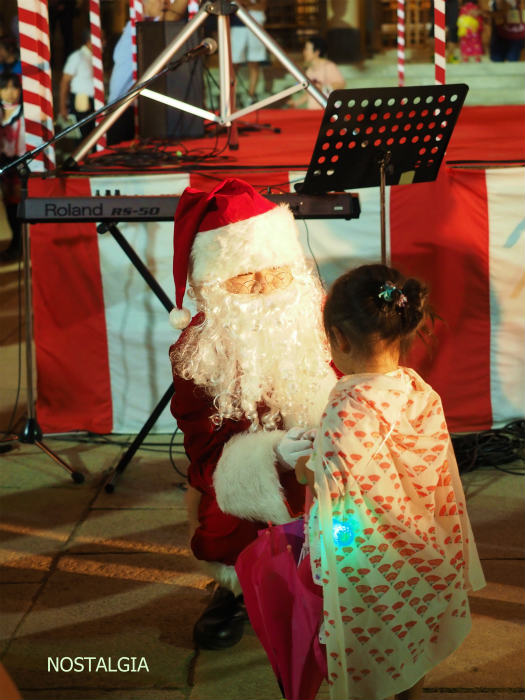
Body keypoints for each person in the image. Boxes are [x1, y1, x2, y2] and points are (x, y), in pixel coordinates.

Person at [288, 264, 486, 700]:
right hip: (423, 545)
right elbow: (435, 472)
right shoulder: (421, 392)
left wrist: (301, 463)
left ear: (339, 339)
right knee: (413, 631)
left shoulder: (347, 404)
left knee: (369, 641)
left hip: (367, 561)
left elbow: (329, 482)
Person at [168, 177, 336, 649]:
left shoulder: (321, 317)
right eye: (244, 276)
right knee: (225, 504)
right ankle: (236, 587)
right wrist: (272, 452)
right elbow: (205, 456)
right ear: (210, 284)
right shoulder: (196, 351)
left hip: (327, 459)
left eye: (276, 270)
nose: (265, 287)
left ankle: (336, 580)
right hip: (248, 470)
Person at [106, 0, 187, 144]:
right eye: (159, 0)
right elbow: (171, 17)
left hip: (133, 107)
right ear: (143, 4)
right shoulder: (136, 28)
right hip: (122, 111)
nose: (165, 4)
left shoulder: (145, 28)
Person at [0, 72, 24, 262]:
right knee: (8, 204)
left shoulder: (25, 112)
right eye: (5, 87)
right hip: (2, 162)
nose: (10, 92)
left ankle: (18, 244)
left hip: (19, 162)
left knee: (16, 204)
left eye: (14, 87)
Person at [59, 31, 97, 140]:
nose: (105, 42)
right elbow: (64, 82)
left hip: (94, 104)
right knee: (82, 138)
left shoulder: (94, 58)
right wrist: (62, 107)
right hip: (81, 102)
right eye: (102, 39)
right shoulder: (77, 56)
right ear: (90, 41)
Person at [292, 35, 345, 110]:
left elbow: (340, 84)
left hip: (329, 111)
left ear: (316, 52)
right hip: (314, 111)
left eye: (307, 49)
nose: (304, 52)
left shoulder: (328, 66)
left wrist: (322, 88)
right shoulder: (309, 70)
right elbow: (310, 93)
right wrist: (296, 103)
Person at [230, 0, 267, 105]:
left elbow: (262, 6)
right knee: (233, 63)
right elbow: (234, 4)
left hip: (255, 24)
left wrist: (246, 4)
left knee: (254, 62)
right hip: (237, 24)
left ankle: (251, 96)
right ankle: (230, 94)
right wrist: (251, 4)